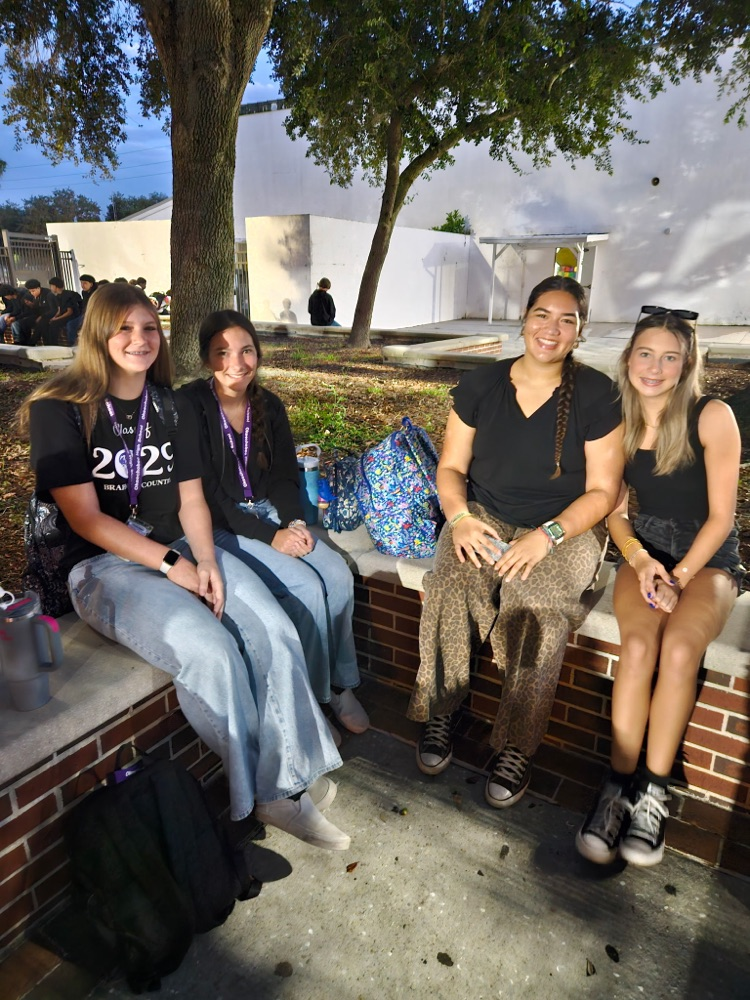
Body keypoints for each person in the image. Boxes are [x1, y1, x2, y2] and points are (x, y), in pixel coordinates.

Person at [19, 283, 350, 851]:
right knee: (213, 651)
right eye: (123, 328)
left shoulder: (169, 405)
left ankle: (286, 779)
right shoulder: (61, 410)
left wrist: (206, 559)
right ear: (96, 332)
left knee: (270, 626)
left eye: (149, 328)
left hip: (179, 547)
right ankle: (267, 796)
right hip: (102, 569)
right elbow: (86, 521)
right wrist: (174, 563)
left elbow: (193, 499)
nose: (138, 340)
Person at [407, 276, 623, 809]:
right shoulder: (482, 386)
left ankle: (516, 745)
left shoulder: (597, 393)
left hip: (566, 528)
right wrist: (458, 518)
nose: (552, 328)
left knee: (535, 603)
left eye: (567, 319)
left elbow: (603, 491)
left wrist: (547, 537)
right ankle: (442, 708)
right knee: (454, 579)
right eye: (542, 315)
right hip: (484, 514)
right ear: (523, 320)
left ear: (580, 331)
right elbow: (452, 466)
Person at [576, 307, 743, 867]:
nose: (655, 366)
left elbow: (722, 517)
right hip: (646, 550)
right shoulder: (617, 419)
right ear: (628, 358)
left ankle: (653, 790)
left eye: (670, 356)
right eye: (645, 353)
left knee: (677, 650)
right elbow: (615, 512)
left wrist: (682, 577)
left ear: (687, 364)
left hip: (708, 558)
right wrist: (644, 562)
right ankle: (614, 789)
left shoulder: (710, 415)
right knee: (640, 646)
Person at [180, 310, 369, 747]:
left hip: (269, 514)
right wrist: (272, 537)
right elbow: (207, 497)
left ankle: (341, 686)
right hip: (222, 524)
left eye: (246, 350)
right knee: (304, 587)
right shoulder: (191, 407)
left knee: (337, 575)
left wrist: (293, 522)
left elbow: (285, 476)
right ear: (207, 358)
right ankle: (314, 702)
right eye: (222, 352)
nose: (237, 363)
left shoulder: (268, 405)